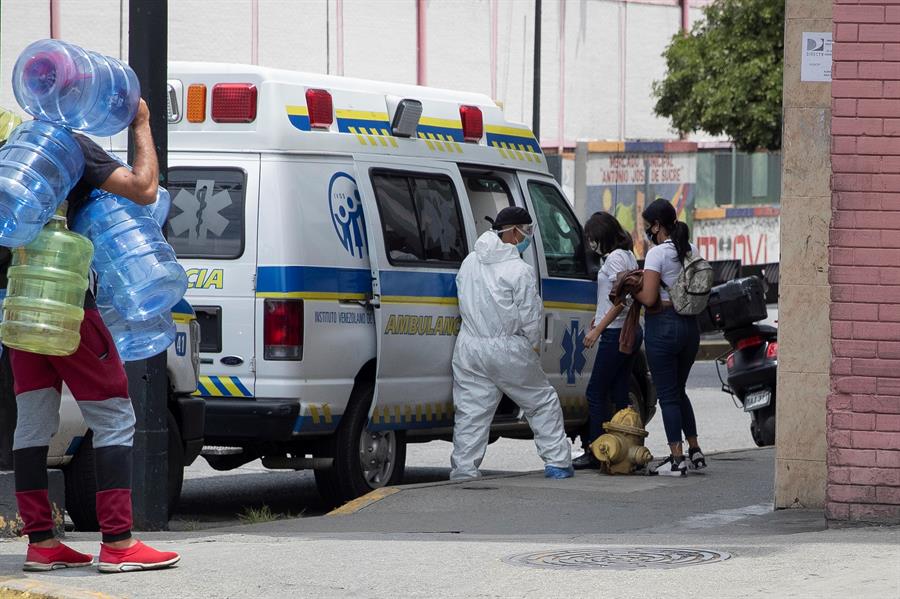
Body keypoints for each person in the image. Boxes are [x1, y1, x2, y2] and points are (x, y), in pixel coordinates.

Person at [10, 99, 181, 573]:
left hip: (20, 303)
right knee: (114, 415)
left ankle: (42, 542)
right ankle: (119, 543)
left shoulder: (14, 147)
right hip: (67, 302)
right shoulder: (71, 146)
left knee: (33, 423)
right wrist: (143, 123)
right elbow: (144, 190)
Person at [450, 206, 573, 480]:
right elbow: (531, 317)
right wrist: (533, 347)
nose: (528, 236)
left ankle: (463, 470)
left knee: (471, 410)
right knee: (542, 402)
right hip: (507, 347)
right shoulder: (520, 270)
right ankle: (558, 463)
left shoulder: (470, 261)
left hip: (469, 345)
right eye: (527, 230)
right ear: (514, 231)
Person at [633, 198, 707, 477]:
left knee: (667, 396)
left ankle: (676, 459)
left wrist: (631, 288)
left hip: (663, 326)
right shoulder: (691, 249)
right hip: (690, 328)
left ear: (656, 225)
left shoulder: (657, 255)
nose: (645, 231)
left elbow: (649, 297)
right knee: (679, 390)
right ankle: (695, 450)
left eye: (646, 226)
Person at [574, 212, 642, 470]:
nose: (591, 243)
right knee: (618, 393)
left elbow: (621, 301)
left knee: (595, 392)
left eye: (592, 238)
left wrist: (597, 330)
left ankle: (595, 450)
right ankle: (621, 449)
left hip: (616, 332)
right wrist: (598, 318)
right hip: (627, 330)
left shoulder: (614, 259)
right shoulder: (627, 255)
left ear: (601, 235)